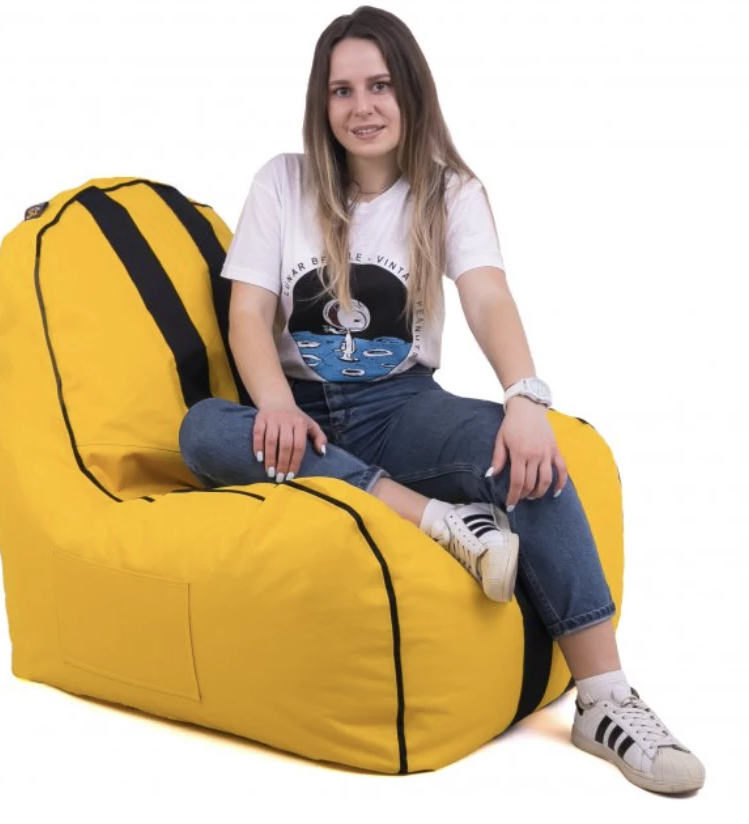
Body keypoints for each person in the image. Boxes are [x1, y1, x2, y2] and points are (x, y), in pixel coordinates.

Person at [179, 5, 705, 794]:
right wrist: (276, 406)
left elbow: (488, 297)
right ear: (321, 103)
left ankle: (605, 699)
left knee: (529, 456)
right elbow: (248, 313)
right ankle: (437, 520)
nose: (362, 106)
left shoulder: (450, 191)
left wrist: (525, 399)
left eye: (380, 85)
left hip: (400, 406)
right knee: (202, 431)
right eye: (342, 90)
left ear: (411, 92)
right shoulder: (281, 183)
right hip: (295, 412)